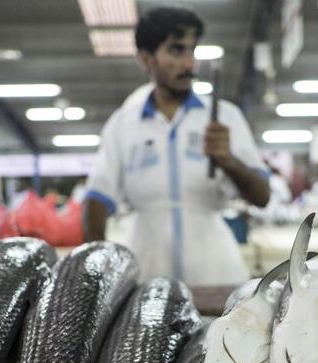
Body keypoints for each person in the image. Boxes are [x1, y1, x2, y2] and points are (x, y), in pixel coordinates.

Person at [82, 7, 270, 286]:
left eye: (192, 50)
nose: (189, 63)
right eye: (176, 51)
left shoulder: (224, 117)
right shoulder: (123, 124)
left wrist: (228, 160)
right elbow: (96, 199)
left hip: (215, 271)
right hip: (145, 272)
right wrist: (97, 273)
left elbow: (262, 196)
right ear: (146, 59)